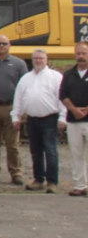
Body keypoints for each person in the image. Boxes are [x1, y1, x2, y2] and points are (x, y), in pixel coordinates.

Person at [11, 49, 68, 192]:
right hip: (32, 119)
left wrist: (62, 117)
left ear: (46, 59)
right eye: (35, 58)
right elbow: (18, 98)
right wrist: (16, 116)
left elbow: (62, 99)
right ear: (32, 60)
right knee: (35, 151)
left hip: (50, 118)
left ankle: (52, 182)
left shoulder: (55, 77)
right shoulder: (26, 78)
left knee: (51, 151)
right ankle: (38, 179)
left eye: (41, 58)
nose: (38, 61)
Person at [0, 35, 27, 185]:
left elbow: (24, 88)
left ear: (9, 45)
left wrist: (20, 111)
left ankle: (16, 173)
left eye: (4, 43)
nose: (1, 46)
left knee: (12, 144)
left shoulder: (19, 64)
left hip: (11, 107)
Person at [61, 41, 88, 197]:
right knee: (76, 154)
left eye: (84, 53)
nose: (81, 56)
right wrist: (73, 109)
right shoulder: (68, 74)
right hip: (73, 120)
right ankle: (80, 185)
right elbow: (63, 95)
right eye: (78, 53)